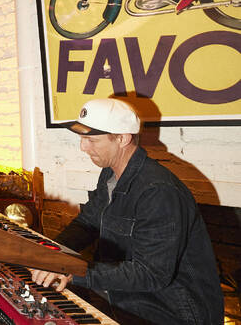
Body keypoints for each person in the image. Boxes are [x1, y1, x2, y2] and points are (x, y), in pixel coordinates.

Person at [30, 98, 223, 324]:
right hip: (127, 298)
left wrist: (73, 271)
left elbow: (151, 274)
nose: (83, 147)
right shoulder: (110, 173)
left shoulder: (158, 191)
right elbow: (87, 223)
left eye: (91, 139)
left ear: (122, 139)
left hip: (171, 311)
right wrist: (50, 253)